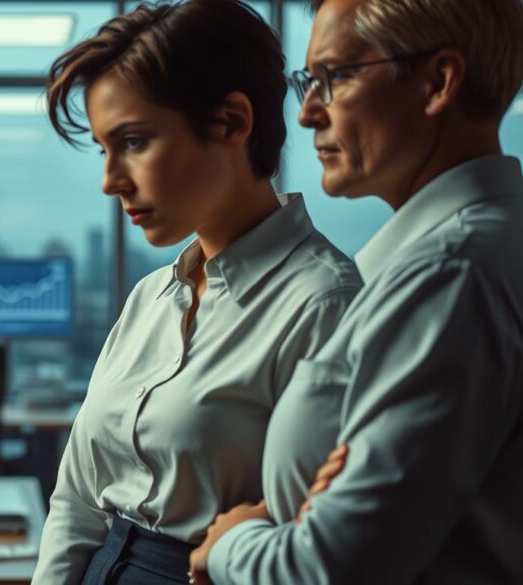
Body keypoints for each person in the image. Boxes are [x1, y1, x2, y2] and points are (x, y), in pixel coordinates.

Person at [189, 0, 523, 582]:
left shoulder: (450, 274)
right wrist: (301, 511)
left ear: (438, 83)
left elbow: (332, 568)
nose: (306, 114)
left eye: (334, 78)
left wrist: (230, 540)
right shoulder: (472, 251)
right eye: (306, 82)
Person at [31, 2, 363, 584]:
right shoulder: (151, 298)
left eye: (133, 142)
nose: (110, 180)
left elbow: (322, 535)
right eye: (105, 150)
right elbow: (76, 502)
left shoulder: (324, 305)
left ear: (231, 123)